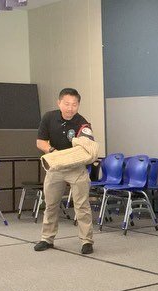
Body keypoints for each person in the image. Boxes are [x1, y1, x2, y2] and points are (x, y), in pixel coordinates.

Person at [34, 88, 94, 254]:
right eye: (67, 104)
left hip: (76, 167)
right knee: (51, 204)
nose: (70, 108)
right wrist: (54, 153)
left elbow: (87, 146)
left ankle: (87, 241)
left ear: (78, 105)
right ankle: (47, 238)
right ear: (59, 103)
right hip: (56, 166)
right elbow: (40, 142)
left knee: (82, 206)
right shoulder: (48, 118)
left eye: (74, 104)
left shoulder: (83, 123)